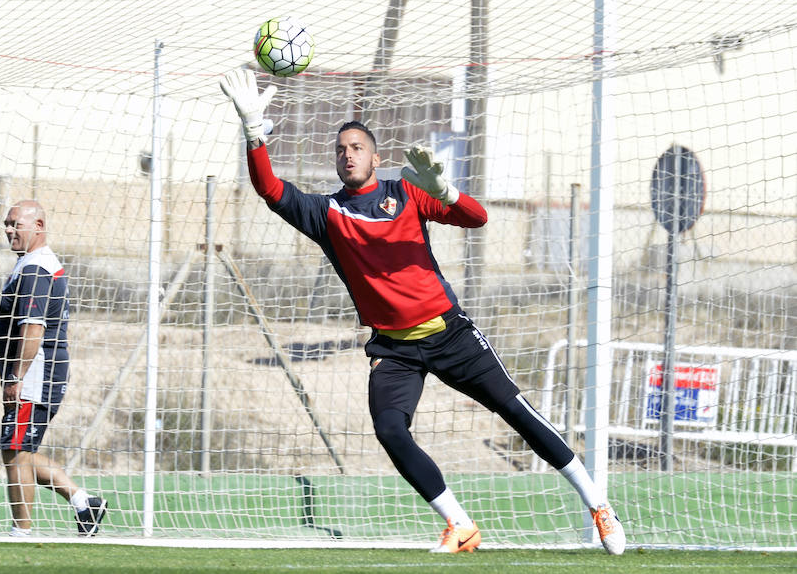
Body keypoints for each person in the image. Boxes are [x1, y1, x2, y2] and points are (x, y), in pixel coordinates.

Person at [220, 69, 626, 554]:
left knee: (515, 412)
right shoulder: (325, 214)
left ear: (374, 156)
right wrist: (252, 132)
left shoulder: (408, 193)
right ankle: (460, 525)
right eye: (340, 150)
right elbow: (269, 189)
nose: (347, 155)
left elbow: (478, 219)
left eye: (356, 147)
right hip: (394, 348)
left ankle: (598, 503)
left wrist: (448, 192)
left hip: (450, 334)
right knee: (390, 429)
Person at [0, 200, 107, 537]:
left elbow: (33, 327)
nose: (9, 230)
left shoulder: (36, 269)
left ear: (39, 225)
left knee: (15, 450)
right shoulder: (29, 264)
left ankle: (22, 533)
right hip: (33, 375)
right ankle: (84, 502)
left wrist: (16, 376)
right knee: (18, 449)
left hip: (35, 376)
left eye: (16, 224)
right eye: (7, 224)